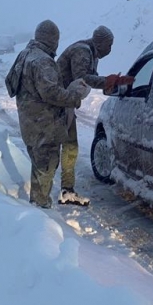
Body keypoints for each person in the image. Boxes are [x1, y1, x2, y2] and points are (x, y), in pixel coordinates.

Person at [5, 20, 90, 209]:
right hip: (45, 126)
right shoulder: (43, 61)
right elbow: (51, 93)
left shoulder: (24, 55)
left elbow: (10, 85)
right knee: (46, 168)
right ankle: (39, 210)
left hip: (28, 123)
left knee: (38, 166)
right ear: (53, 40)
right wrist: (75, 97)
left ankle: (37, 204)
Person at [56, 25, 134, 205]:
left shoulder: (92, 54)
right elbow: (81, 78)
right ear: (101, 43)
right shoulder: (83, 52)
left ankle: (66, 190)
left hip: (65, 104)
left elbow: (91, 77)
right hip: (56, 105)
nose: (111, 49)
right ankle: (42, 195)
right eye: (109, 45)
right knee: (59, 148)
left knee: (70, 146)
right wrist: (107, 81)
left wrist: (109, 83)